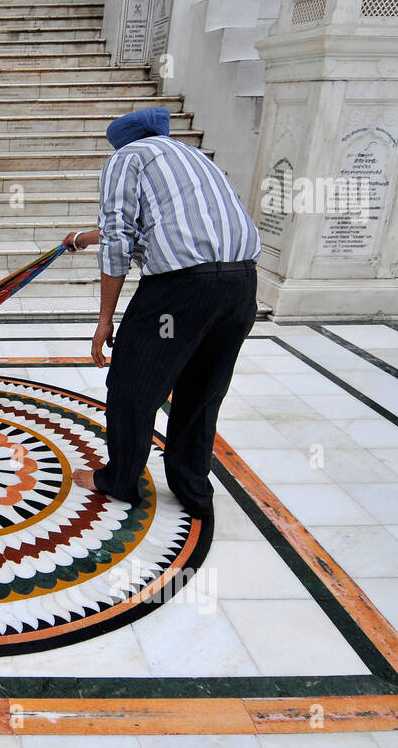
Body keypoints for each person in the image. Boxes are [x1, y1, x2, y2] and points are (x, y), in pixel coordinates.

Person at [62, 106, 261, 520]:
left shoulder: (127, 158)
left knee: (133, 382)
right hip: (240, 286)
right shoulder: (197, 161)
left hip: (180, 290)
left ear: (122, 141)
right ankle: (193, 491)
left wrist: (104, 321)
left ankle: (119, 480)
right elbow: (160, 224)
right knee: (202, 391)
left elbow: (119, 237)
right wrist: (82, 238)